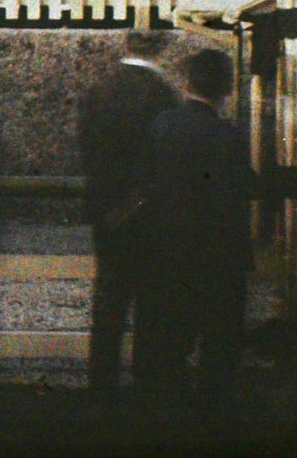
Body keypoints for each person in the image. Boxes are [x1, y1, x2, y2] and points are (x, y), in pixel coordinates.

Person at [133, 47, 253, 400]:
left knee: (172, 339)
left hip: (169, 250)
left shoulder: (161, 126)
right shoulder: (225, 135)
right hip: (218, 254)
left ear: (186, 83)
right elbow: (242, 186)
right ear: (227, 88)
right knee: (220, 341)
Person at [75, 47, 179, 396]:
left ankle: (101, 380)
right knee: (151, 301)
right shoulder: (162, 94)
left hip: (107, 210)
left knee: (109, 299)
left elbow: (86, 147)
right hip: (147, 211)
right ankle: (145, 381)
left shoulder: (99, 90)